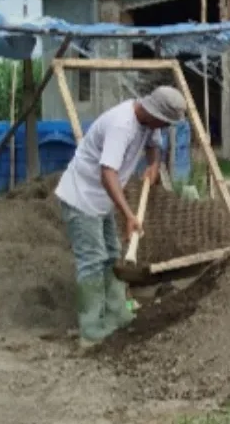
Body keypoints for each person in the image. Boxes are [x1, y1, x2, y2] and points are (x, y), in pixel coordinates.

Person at [55, 85, 187, 346]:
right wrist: (128, 215)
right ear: (153, 112)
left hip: (101, 199)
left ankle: (117, 313)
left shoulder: (148, 123)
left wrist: (152, 164)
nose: (163, 126)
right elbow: (107, 173)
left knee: (113, 256)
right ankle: (91, 330)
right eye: (164, 121)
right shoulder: (122, 126)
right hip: (82, 197)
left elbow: (154, 144)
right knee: (92, 260)